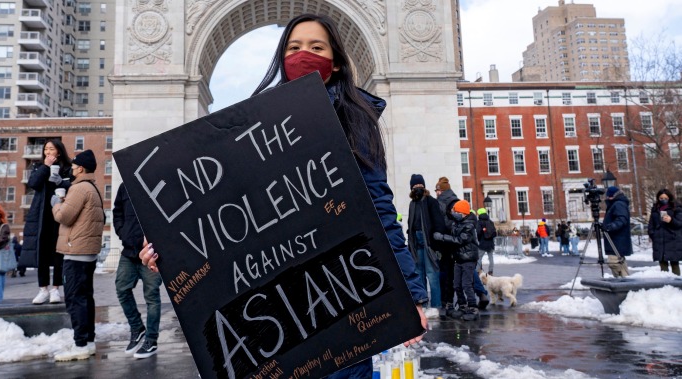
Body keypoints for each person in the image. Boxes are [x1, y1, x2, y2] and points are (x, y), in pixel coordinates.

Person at [142, 14, 428, 378]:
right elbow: (222, 209)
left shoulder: (356, 120)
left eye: (316, 47)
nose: (303, 54)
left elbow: (381, 212)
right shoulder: (250, 127)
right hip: (275, 307)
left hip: (343, 294)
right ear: (281, 56)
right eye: (294, 47)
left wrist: (410, 295)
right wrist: (170, 250)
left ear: (336, 60)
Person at [51, 149, 105, 362]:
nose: (71, 169)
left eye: (73, 166)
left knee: (75, 299)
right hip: (87, 252)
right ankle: (88, 342)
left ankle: (80, 344)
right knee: (85, 298)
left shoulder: (79, 188)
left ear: (80, 168)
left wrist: (56, 204)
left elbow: (64, 217)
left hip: (76, 252)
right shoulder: (92, 187)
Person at [113, 185, 162, 359]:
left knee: (152, 296)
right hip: (129, 251)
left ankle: (151, 340)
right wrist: (123, 232)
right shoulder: (125, 185)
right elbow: (117, 211)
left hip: (152, 253)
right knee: (121, 289)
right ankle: (137, 328)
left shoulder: (154, 178)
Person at [21, 140, 73, 305]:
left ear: (59, 152)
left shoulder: (68, 167)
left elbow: (73, 186)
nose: (48, 152)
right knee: (41, 252)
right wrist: (45, 166)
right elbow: (33, 184)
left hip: (60, 213)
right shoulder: (38, 166)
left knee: (59, 253)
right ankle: (43, 289)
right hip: (42, 214)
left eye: (52, 149)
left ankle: (56, 289)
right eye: (46, 149)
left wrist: (60, 182)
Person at [434, 177, 489, 314]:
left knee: (453, 274)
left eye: (437, 190)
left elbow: (444, 223)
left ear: (440, 191)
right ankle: (480, 294)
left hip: (450, 241)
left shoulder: (440, 203)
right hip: (459, 243)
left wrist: (442, 236)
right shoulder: (456, 200)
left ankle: (454, 302)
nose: (436, 192)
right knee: (466, 273)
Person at [433, 200, 480, 321]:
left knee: (466, 284)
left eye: (456, 211)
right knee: (456, 284)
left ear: (463, 213)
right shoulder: (457, 223)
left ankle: (473, 308)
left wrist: (442, 237)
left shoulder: (469, 226)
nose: (453, 212)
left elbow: (459, 240)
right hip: (458, 259)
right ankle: (462, 306)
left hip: (468, 259)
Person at [407, 174, 445, 310]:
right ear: (412, 188)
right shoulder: (412, 204)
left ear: (424, 186)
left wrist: (435, 243)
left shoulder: (430, 201)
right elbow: (410, 226)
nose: (418, 188)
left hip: (428, 243)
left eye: (420, 185)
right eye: (415, 186)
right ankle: (423, 304)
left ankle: (435, 306)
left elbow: (439, 223)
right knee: (419, 275)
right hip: (416, 244)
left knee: (432, 275)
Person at [648, 189, 681, 275]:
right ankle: (664, 284)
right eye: (661, 198)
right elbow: (651, 224)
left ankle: (677, 284)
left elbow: (679, 223)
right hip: (659, 240)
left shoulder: (676, 208)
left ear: (669, 198)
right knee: (662, 263)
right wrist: (653, 234)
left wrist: (671, 220)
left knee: (674, 263)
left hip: (672, 239)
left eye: (665, 198)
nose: (663, 200)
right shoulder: (655, 209)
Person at [601, 186, 631, 277]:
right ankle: (624, 282)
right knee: (618, 262)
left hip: (617, 239)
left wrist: (610, 227)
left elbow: (622, 219)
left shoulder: (618, 204)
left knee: (614, 262)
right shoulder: (616, 204)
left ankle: (623, 282)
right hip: (615, 239)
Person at [476, 208, 496, 275]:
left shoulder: (479, 222)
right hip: (490, 243)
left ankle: (477, 271)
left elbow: (478, 232)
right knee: (491, 258)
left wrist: (479, 239)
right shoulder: (490, 221)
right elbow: (494, 232)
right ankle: (491, 271)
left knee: (479, 258)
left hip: (482, 243)